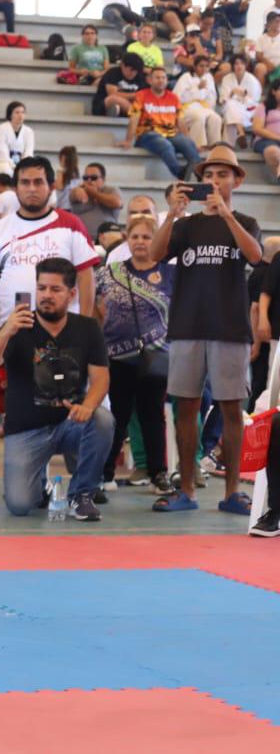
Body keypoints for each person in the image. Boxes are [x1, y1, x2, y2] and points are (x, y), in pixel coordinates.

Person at [149, 145, 261, 514]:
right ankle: (187, 490)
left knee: (232, 409)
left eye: (223, 174)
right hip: (187, 325)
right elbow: (154, 254)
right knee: (186, 407)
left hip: (229, 326)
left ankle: (231, 492)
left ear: (237, 180)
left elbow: (256, 256)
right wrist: (172, 215)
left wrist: (226, 215)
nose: (214, 181)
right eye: (209, 175)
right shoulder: (186, 225)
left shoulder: (244, 221)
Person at [0, 258, 111, 521]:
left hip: (70, 423)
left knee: (103, 420)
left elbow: (101, 379)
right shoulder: (17, 325)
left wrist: (88, 406)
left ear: (72, 294)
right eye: (42, 288)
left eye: (55, 290)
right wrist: (6, 332)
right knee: (20, 505)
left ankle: (81, 495)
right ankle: (38, 485)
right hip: (26, 430)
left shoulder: (87, 328)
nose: (47, 295)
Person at [95, 215, 174, 493]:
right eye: (136, 236)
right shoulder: (109, 271)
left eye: (146, 237)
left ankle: (158, 474)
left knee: (153, 416)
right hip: (116, 357)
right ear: (127, 239)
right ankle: (105, 474)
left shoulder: (170, 274)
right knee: (117, 416)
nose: (140, 242)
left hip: (156, 358)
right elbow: (94, 307)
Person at [0, 156, 97, 330]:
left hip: (64, 332)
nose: (31, 189)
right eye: (25, 182)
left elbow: (86, 277)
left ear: (51, 187)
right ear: (15, 188)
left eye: (38, 182)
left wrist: (85, 328)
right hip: (11, 332)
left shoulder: (72, 224)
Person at [120, 66, 201, 178]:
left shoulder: (174, 98)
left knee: (187, 144)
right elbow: (134, 118)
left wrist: (189, 140)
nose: (161, 80)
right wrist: (129, 140)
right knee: (165, 145)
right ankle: (180, 173)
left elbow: (181, 122)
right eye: (157, 78)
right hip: (147, 135)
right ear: (150, 80)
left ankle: (201, 175)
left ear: (167, 80)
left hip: (171, 134)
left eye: (163, 78)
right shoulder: (141, 96)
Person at [173, 55, 223, 148]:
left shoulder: (209, 77)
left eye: (206, 66)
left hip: (203, 107)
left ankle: (214, 146)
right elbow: (177, 98)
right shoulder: (186, 77)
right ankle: (198, 145)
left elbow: (212, 97)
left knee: (216, 118)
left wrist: (209, 107)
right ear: (195, 66)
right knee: (198, 117)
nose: (204, 69)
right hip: (186, 108)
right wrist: (197, 89)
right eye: (201, 66)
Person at [66, 161, 122, 241]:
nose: (89, 180)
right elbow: (74, 195)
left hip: (108, 240)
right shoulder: (79, 190)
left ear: (103, 179)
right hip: (81, 240)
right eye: (85, 178)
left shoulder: (111, 190)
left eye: (93, 178)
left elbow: (117, 203)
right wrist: (78, 192)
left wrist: (94, 193)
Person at [220, 54, 262, 148]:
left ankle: (228, 147)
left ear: (245, 65)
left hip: (248, 110)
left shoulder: (252, 80)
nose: (239, 66)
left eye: (242, 63)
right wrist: (232, 92)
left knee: (230, 114)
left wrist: (244, 95)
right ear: (232, 65)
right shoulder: (226, 78)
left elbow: (254, 102)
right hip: (230, 108)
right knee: (230, 105)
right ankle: (241, 132)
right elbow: (224, 99)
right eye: (236, 63)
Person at [0, 101, 34, 178]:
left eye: (23, 112)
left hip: (21, 165)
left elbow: (28, 153)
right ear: (10, 115)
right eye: (17, 112)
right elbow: (1, 154)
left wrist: (22, 166)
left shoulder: (29, 132)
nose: (20, 115)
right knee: (5, 169)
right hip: (0, 163)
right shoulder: (2, 129)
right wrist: (14, 167)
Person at [92, 52, 146, 117]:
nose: (133, 73)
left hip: (131, 105)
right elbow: (113, 94)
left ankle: (136, 115)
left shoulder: (139, 77)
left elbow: (143, 95)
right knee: (114, 99)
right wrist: (134, 95)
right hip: (103, 106)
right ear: (122, 65)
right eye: (131, 70)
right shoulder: (112, 73)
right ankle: (137, 116)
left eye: (136, 71)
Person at [253, 80, 280, 183]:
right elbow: (257, 129)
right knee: (273, 152)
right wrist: (278, 137)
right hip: (265, 140)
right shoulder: (264, 107)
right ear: (274, 91)